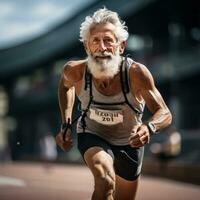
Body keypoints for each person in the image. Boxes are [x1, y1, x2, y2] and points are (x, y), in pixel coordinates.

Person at [55, 8, 172, 200]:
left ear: (121, 46)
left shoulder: (136, 74)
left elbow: (164, 112)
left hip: (129, 143)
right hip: (92, 134)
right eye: (95, 40)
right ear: (87, 47)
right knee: (105, 179)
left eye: (108, 40)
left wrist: (149, 127)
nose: (102, 47)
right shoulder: (75, 71)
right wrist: (66, 123)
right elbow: (65, 86)